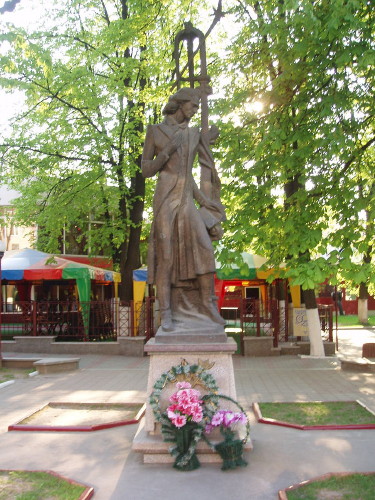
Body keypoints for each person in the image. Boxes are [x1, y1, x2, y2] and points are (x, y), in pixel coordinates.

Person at [142, 87, 225, 332]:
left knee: (204, 247)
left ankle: (209, 306)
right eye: (193, 105)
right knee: (166, 256)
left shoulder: (191, 134)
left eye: (199, 106)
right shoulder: (155, 131)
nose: (196, 110)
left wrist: (208, 207)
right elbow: (146, 170)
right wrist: (167, 150)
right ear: (180, 104)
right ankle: (166, 313)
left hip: (187, 198)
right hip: (165, 199)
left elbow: (198, 167)